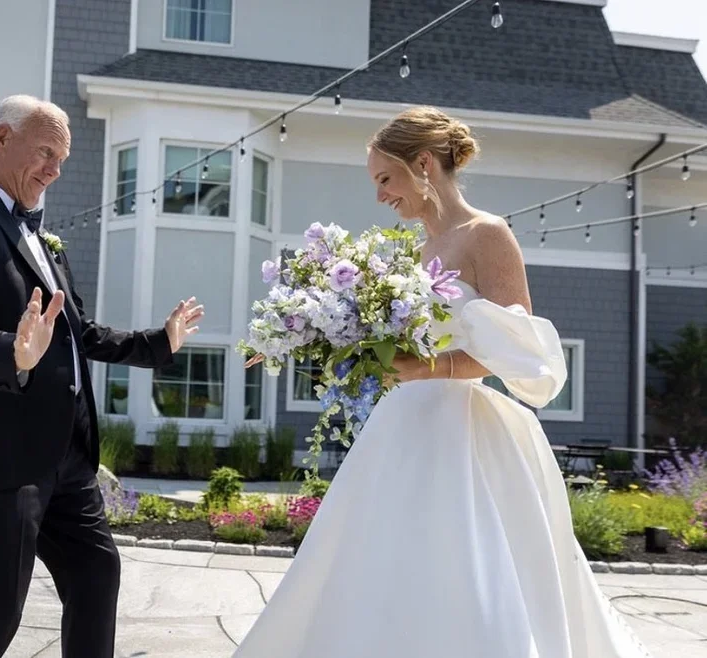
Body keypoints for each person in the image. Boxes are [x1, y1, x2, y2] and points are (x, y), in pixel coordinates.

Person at [232, 106, 652, 657]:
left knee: (463, 565)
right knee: (374, 562)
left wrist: (430, 368)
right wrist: (299, 335)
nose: (381, 195)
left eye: (386, 178)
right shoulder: (413, 253)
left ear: (423, 163)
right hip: (402, 425)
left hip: (463, 432)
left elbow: (514, 348)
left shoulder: (487, 235)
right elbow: (390, 339)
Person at [0, 94, 204, 658]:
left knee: (96, 574)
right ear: (1, 140)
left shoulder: (46, 241)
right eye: (45, 152)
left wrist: (159, 342)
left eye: (62, 160)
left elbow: (79, 334)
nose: (54, 169)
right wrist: (13, 354)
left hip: (65, 455)